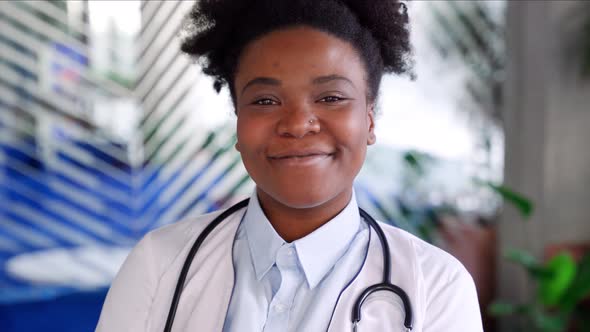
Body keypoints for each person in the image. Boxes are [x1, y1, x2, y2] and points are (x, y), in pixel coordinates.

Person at [96, 0, 483, 331]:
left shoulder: (434, 287)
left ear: (369, 120)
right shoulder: (159, 264)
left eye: (331, 97)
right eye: (265, 101)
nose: (298, 124)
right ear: (238, 122)